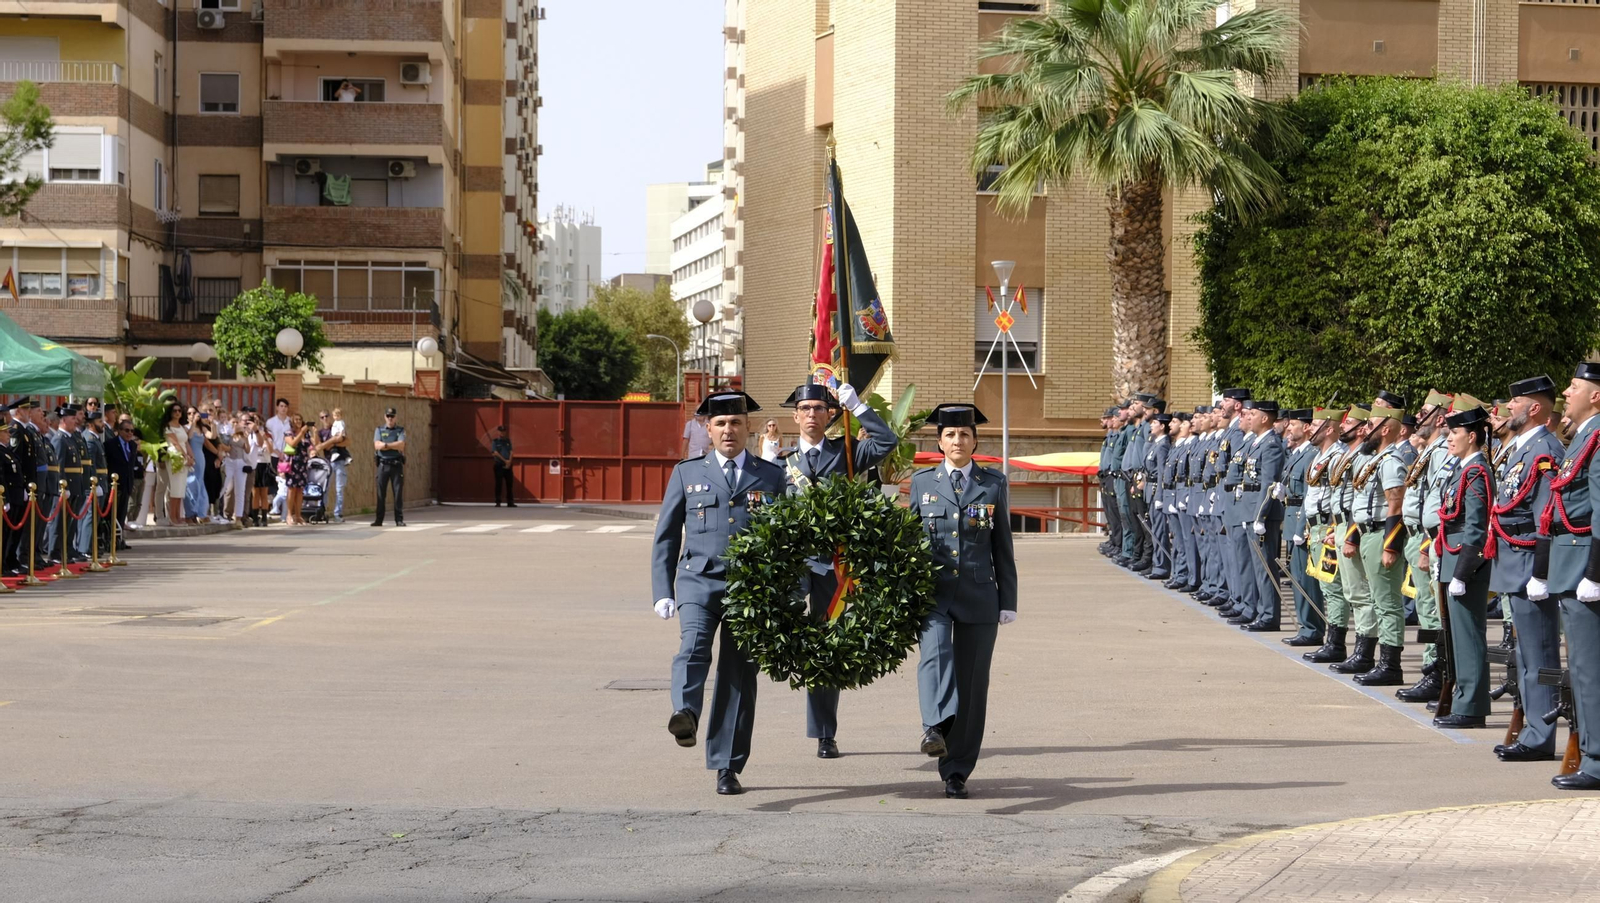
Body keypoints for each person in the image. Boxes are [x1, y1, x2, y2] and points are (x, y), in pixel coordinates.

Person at [650, 391, 786, 796]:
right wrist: (662, 589)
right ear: (707, 429)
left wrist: (787, 592)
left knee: (739, 675)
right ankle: (686, 712)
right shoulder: (687, 473)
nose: (729, 430)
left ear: (749, 428)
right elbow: (667, 535)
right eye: (721, 423)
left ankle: (728, 766)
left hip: (750, 587)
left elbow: (785, 540)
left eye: (736, 423)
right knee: (692, 646)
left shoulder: (772, 476)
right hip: (699, 580)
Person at [777, 379, 898, 759]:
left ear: (830, 414)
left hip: (833, 565)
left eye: (819, 408)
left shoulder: (846, 451)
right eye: (805, 409)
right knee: (779, 630)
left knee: (826, 647)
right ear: (795, 416)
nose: (812, 414)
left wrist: (859, 407)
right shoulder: (779, 462)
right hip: (795, 563)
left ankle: (825, 733)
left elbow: (886, 444)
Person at [910, 403, 1016, 800]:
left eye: (965, 434)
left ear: (975, 441)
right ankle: (935, 726)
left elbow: (1003, 545)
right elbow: (911, 540)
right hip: (933, 591)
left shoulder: (993, 484)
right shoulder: (922, 483)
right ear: (939, 442)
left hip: (979, 594)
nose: (958, 440)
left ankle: (957, 770)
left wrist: (1009, 599)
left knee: (972, 685)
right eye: (950, 435)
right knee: (935, 656)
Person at [1486, 376, 1565, 761]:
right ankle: (1534, 728)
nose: (1508, 408)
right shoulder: (1523, 449)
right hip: (1514, 561)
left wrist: (1541, 572)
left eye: (1516, 402)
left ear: (1535, 408)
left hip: (1529, 563)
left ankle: (1540, 734)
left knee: (1541, 655)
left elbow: (1546, 518)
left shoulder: (1545, 450)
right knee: (1528, 656)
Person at [1533, 363, 1600, 789]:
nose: (1567, 393)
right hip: (1567, 561)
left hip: (1582, 565)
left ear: (1596, 395)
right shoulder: (1582, 439)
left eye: (1574, 387)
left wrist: (1594, 572)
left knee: (1589, 668)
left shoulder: (1596, 439)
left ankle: (1596, 759)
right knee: (1582, 665)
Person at [1434, 400, 1495, 730]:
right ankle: (1463, 698)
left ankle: (1471, 707)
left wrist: (1462, 571)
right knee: (1458, 636)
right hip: (1453, 559)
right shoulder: (1462, 470)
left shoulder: (1475, 472)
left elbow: (1475, 527)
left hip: (1465, 564)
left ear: (1472, 436)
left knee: (1469, 636)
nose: (1448, 438)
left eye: (1454, 432)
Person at [1347, 392, 1411, 685]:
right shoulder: (1376, 458)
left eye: (1370, 424)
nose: (1364, 430)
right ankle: (1378, 660)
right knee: (1375, 599)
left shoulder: (1390, 460)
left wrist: (1390, 545)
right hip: (1367, 533)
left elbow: (1395, 504)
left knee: (1387, 602)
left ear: (1385, 429)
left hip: (1380, 535)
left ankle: (1391, 665)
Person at [1397, 392, 1456, 703]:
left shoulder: (1443, 451)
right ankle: (1433, 671)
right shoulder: (1429, 449)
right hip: (1417, 536)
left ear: (1440, 417)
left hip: (1427, 537)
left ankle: (1436, 673)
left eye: (1423, 411)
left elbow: (1441, 502)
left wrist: (1424, 542)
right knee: (1425, 609)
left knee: (1433, 612)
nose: (1417, 417)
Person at [1236, 399, 1285, 632]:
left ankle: (1269, 616)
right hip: (1250, 507)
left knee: (1265, 567)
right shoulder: (1257, 443)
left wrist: (1260, 516)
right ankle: (1260, 611)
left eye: (1253, 413)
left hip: (1261, 512)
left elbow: (1269, 483)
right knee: (1257, 566)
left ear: (1265, 418)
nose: (1248, 417)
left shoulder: (1271, 444)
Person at [106, 416, 139, 550]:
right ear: (119, 431)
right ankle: (110, 540)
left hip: (126, 483)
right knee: (111, 513)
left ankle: (119, 540)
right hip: (114, 483)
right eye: (127, 430)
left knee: (122, 513)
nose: (130, 433)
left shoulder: (132, 445)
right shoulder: (110, 444)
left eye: (132, 431)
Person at [373, 407, 407, 527]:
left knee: (398, 493)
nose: (390, 419)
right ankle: (379, 520)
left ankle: (399, 519)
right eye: (388, 416)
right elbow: (377, 445)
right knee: (380, 494)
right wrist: (393, 445)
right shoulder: (379, 430)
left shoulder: (400, 430)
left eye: (392, 416)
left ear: (396, 417)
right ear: (385, 417)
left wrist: (386, 445)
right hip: (383, 464)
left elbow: (401, 445)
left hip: (396, 465)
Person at [164, 404, 192, 528]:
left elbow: (186, 442)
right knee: (175, 488)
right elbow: (175, 443)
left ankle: (178, 516)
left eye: (179, 411)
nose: (177, 413)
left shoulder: (181, 426)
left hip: (184, 456)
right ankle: (172, 517)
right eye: (174, 411)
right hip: (175, 456)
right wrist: (186, 457)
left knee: (181, 489)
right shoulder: (168, 427)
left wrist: (191, 457)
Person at [322, 408, 350, 522]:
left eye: (327, 416)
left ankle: (337, 514)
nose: (325, 419)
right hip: (328, 462)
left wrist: (333, 441)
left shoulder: (338, 426)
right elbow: (321, 446)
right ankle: (322, 512)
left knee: (339, 489)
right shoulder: (321, 432)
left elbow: (347, 441)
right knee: (325, 488)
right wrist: (334, 441)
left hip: (339, 461)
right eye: (322, 417)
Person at [284, 414, 312, 526]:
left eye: (300, 419)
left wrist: (313, 432)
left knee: (300, 489)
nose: (298, 421)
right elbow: (292, 443)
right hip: (293, 463)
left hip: (303, 464)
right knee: (292, 489)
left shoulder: (306, 434)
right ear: (292, 421)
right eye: (296, 420)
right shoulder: (289, 432)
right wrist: (301, 433)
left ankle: (298, 515)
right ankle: (289, 514)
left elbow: (311, 445)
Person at [490, 425, 516, 507]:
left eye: (504, 431)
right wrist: (505, 461)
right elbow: (495, 453)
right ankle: (498, 502)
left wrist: (509, 462)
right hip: (499, 465)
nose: (502, 433)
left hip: (508, 466)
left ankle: (510, 502)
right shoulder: (495, 442)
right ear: (498, 432)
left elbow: (511, 452)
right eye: (501, 431)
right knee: (499, 484)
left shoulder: (508, 441)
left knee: (509, 484)